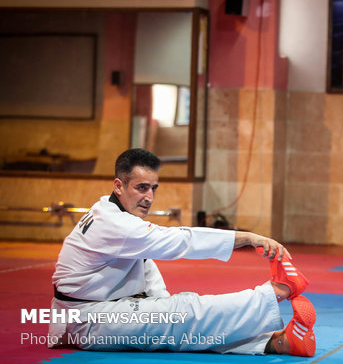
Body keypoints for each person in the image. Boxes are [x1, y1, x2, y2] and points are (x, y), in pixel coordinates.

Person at [48, 148, 316, 356]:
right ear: (119, 185)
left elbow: (144, 262)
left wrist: (162, 303)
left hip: (101, 313)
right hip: (88, 322)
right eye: (141, 187)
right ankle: (275, 292)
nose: (149, 197)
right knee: (184, 313)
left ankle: (278, 343)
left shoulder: (111, 210)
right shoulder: (115, 223)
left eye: (153, 188)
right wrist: (246, 237)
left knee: (182, 326)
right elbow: (180, 240)